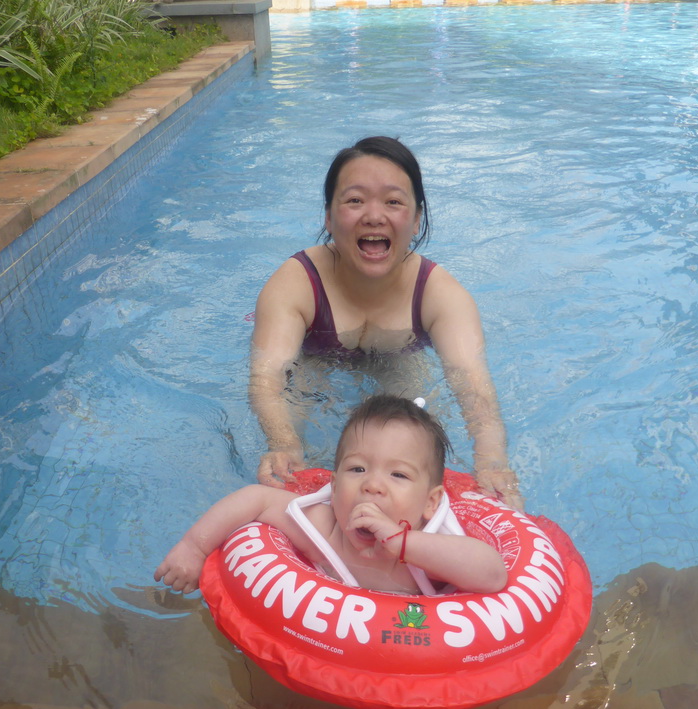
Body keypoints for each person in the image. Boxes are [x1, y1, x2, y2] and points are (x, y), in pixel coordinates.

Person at [249, 136, 523, 510]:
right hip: (314, 360)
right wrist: (282, 445)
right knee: (291, 457)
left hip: (399, 359)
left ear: (416, 220)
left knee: (418, 447)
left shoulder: (439, 294)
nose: (374, 215)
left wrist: (492, 464)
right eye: (355, 200)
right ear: (328, 217)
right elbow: (268, 380)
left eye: (393, 202)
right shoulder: (296, 282)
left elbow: (474, 390)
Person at [154, 395, 508, 595]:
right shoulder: (320, 526)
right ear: (335, 486)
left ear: (430, 503)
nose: (372, 485)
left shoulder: (432, 549)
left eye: (398, 474)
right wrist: (194, 547)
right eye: (357, 469)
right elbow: (255, 498)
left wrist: (405, 544)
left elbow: (492, 576)